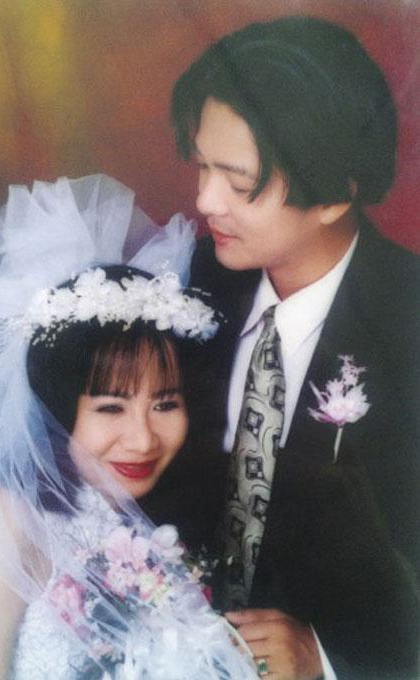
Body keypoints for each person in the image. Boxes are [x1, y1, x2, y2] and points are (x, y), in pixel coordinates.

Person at [171, 15, 420, 680]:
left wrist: (328, 661)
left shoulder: (410, 323)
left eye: (237, 180)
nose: (204, 200)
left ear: (336, 193)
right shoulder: (190, 280)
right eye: (201, 166)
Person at [0, 174, 258, 679]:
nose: (143, 439)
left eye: (165, 404)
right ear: (58, 407)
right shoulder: (8, 519)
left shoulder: (135, 515)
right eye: (110, 408)